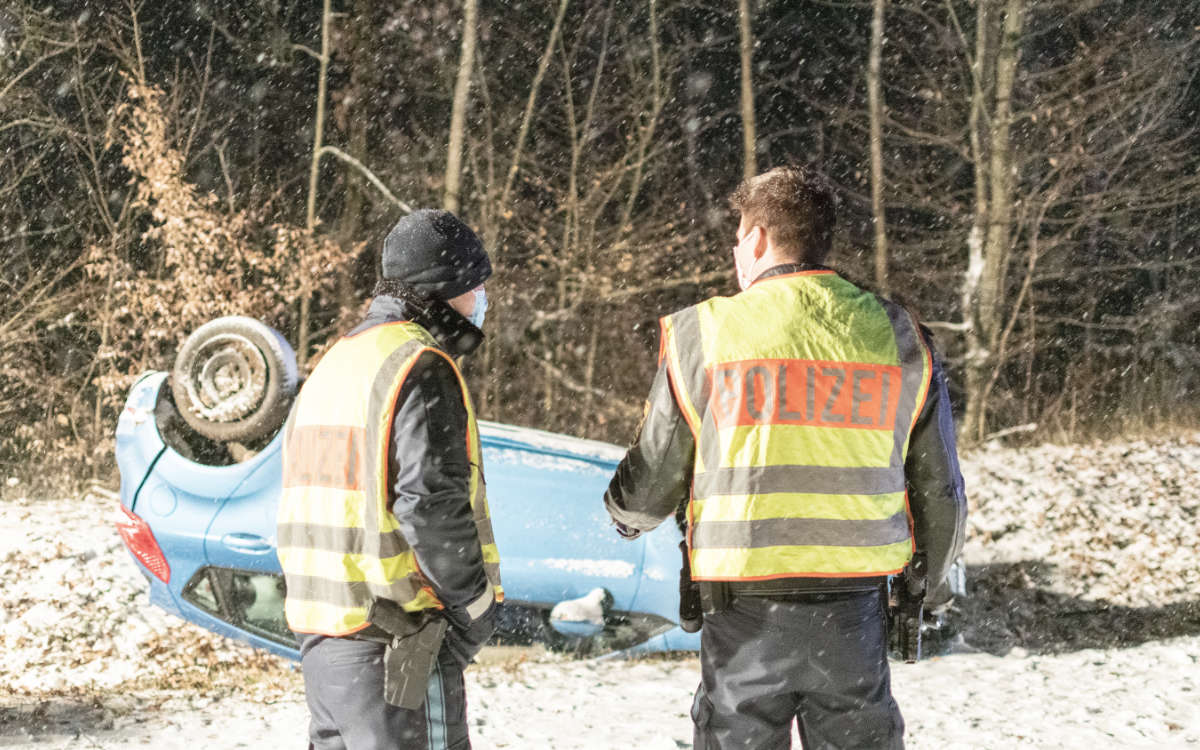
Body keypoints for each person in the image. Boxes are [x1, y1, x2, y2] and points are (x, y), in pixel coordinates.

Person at [603, 166, 967, 749]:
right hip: (855, 611)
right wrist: (923, 584)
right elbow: (939, 489)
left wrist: (625, 514)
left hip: (742, 609)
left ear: (756, 239)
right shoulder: (899, 336)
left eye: (738, 239)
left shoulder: (705, 334)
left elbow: (654, 480)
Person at [277, 209, 503, 750]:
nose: (481, 304)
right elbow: (430, 506)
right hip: (398, 644)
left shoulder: (335, 365)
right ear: (446, 290)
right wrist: (476, 609)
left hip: (324, 644)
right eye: (475, 289)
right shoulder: (419, 366)